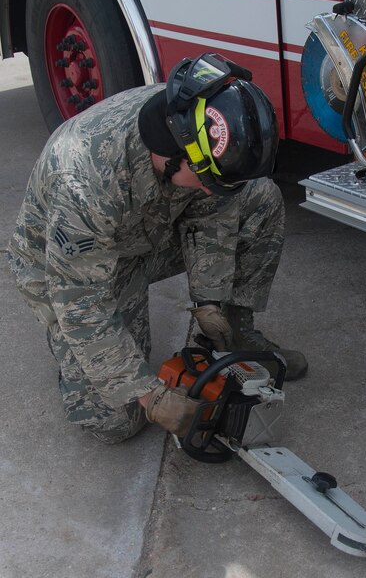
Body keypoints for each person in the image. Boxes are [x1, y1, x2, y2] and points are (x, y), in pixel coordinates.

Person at [8, 53, 307, 444]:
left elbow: (212, 214)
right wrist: (149, 395)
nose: (208, 189)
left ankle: (234, 332)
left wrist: (210, 303)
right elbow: (82, 300)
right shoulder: (84, 180)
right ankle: (72, 354)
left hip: (143, 237)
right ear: (171, 156)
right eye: (204, 179)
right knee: (114, 422)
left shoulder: (195, 121)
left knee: (259, 198)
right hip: (71, 271)